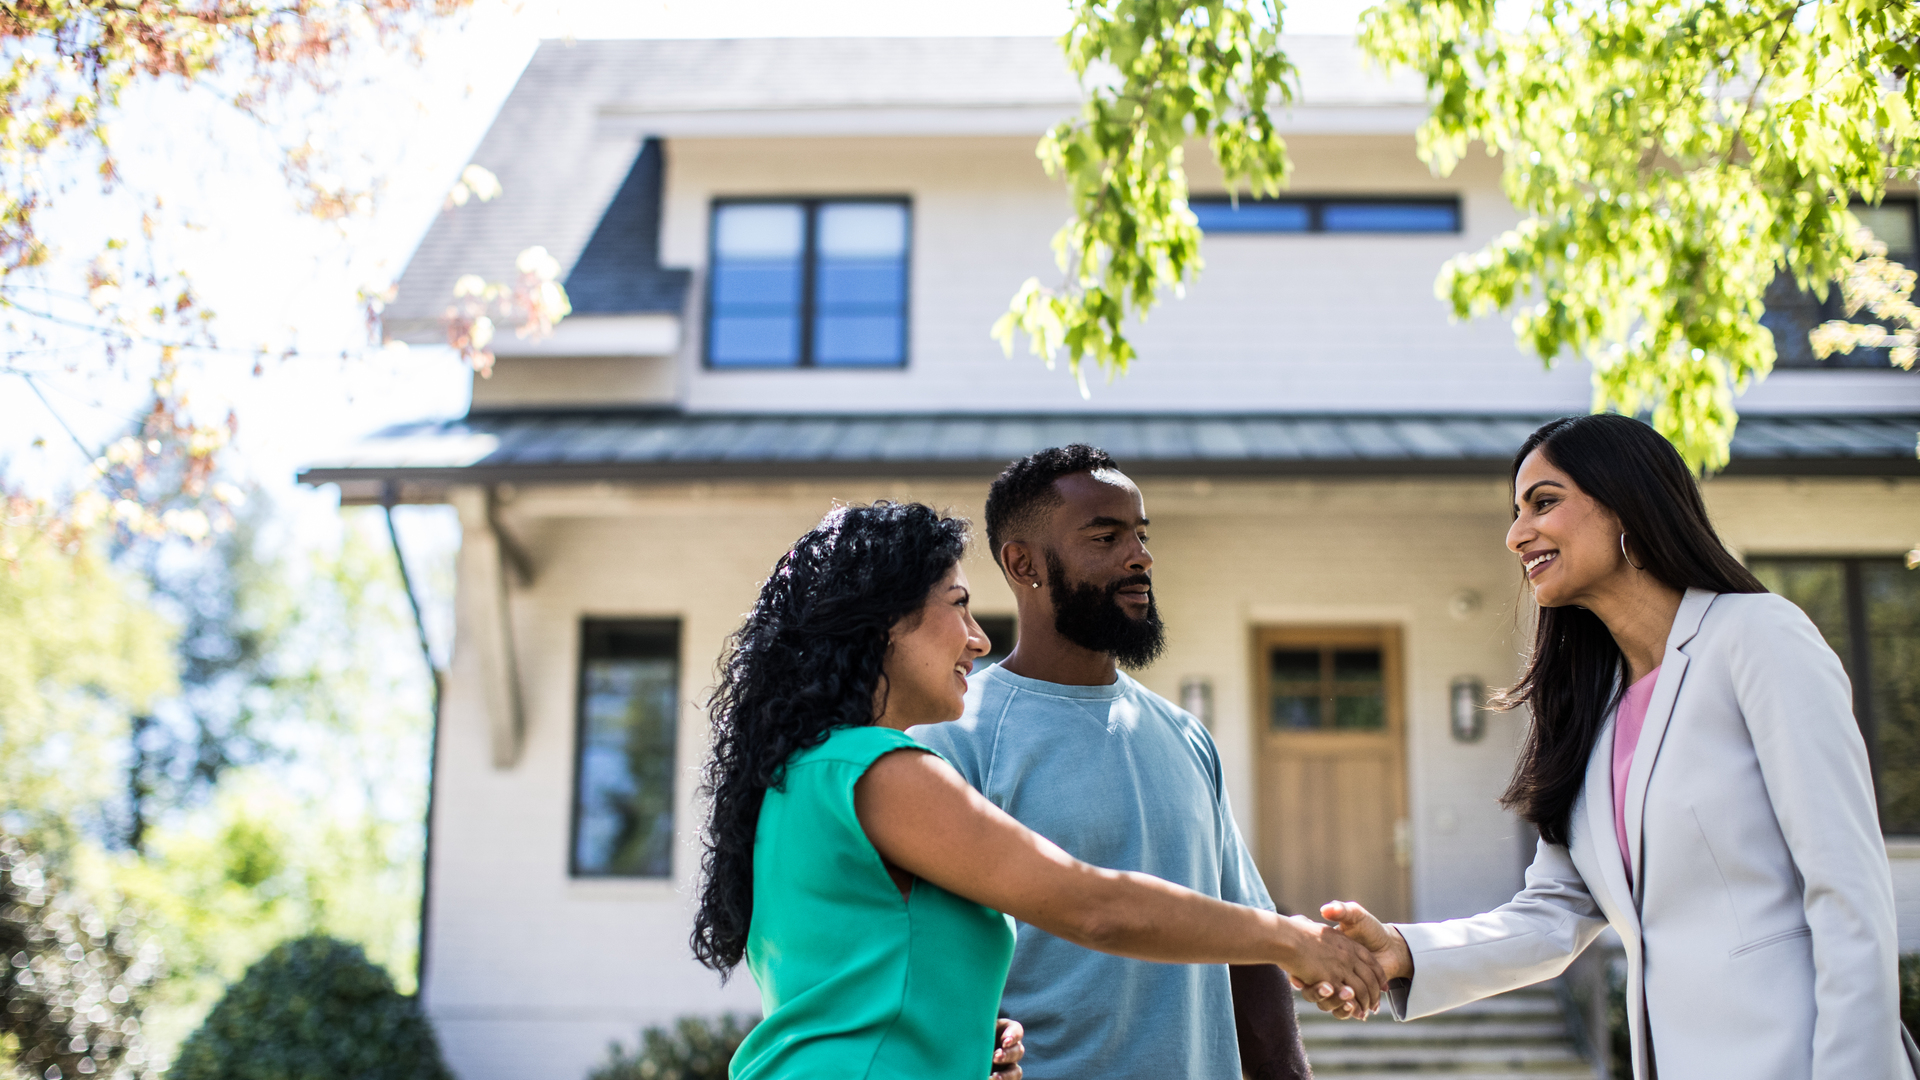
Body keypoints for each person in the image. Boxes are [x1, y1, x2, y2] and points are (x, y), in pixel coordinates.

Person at [1302, 413, 1915, 1080]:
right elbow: (1554, 912)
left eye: (1544, 502)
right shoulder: (1594, 714)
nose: (1515, 535)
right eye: (1515, 512)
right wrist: (1400, 950)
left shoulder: (1758, 637)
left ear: (1627, 502)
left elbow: (1848, 891)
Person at [690, 501, 1384, 1080]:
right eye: (958, 607)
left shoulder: (804, 774)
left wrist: (957, 1046)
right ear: (881, 623)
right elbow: (1094, 906)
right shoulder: (883, 771)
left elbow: (858, 986)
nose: (977, 639)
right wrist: (1294, 940)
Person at [911, 445, 1316, 1080]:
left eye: (1141, 535)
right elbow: (928, 970)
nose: (1140, 556)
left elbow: (1249, 952)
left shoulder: (1186, 736)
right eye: (1105, 535)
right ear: (1023, 564)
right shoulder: (951, 738)